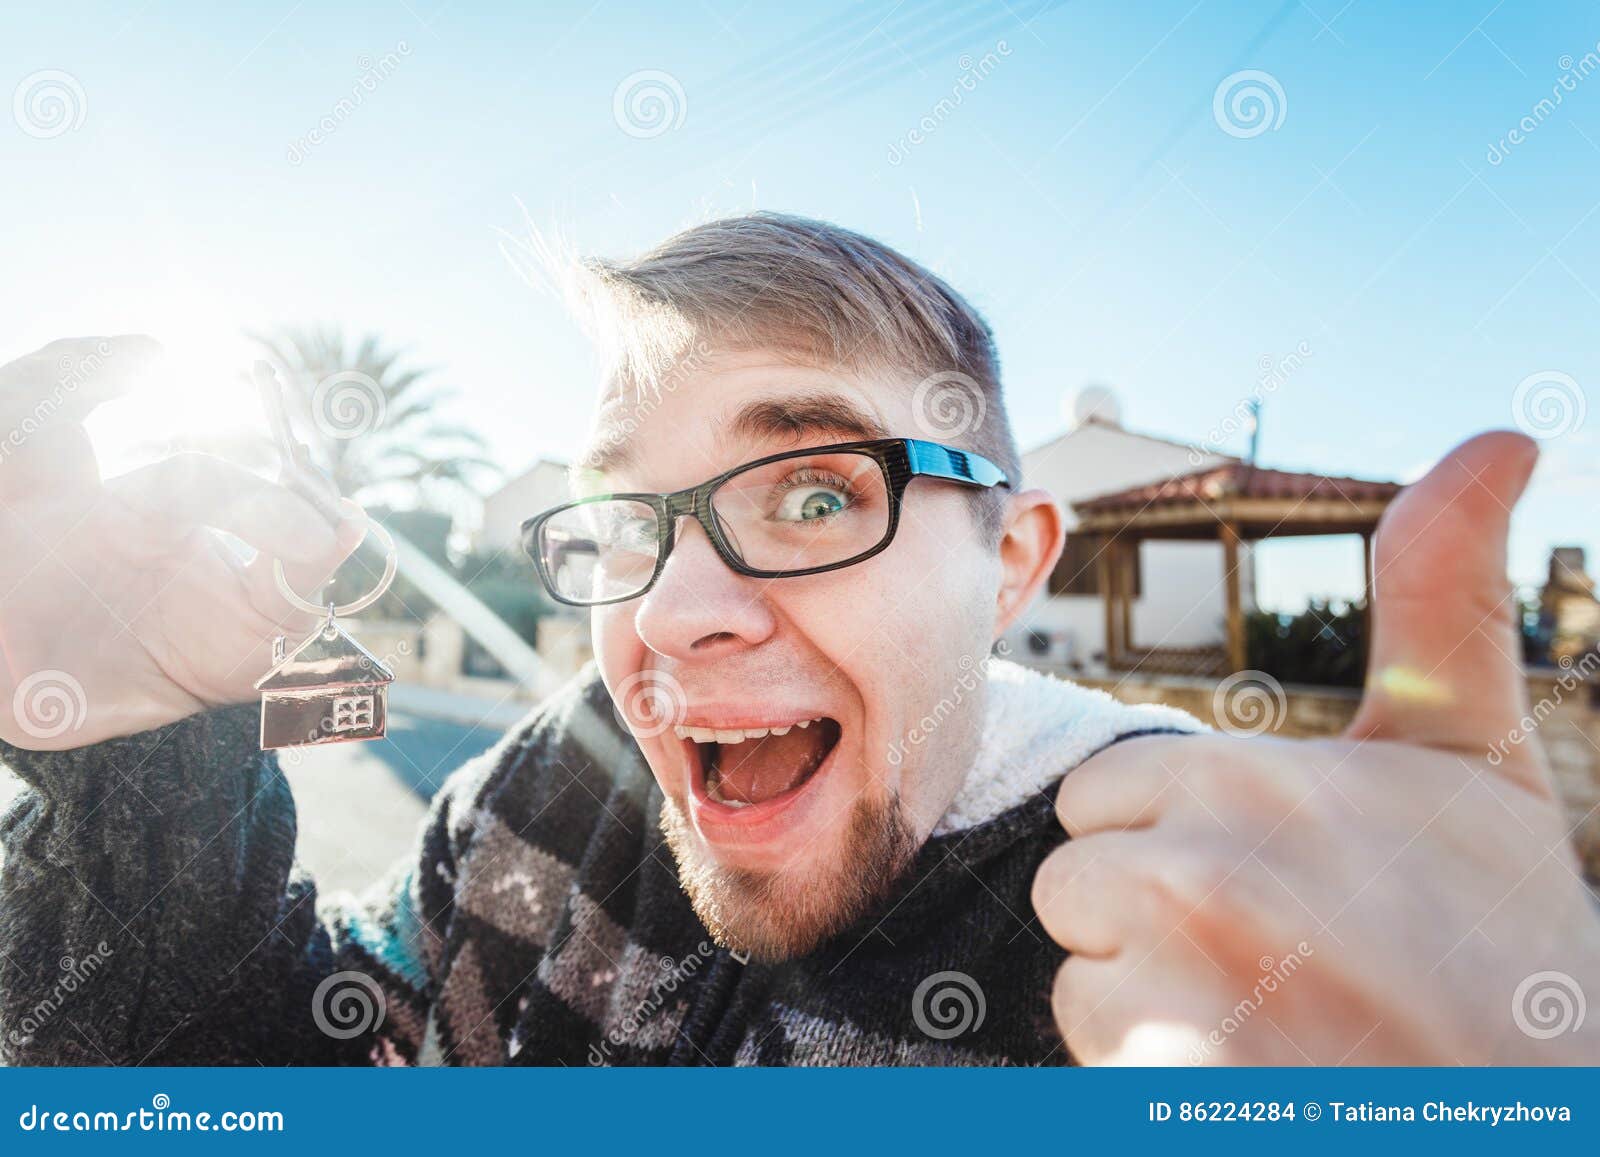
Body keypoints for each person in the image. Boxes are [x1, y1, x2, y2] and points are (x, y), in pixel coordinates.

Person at [0, 214, 1595, 1066]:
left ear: (1011, 557)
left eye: (820, 492)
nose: (675, 609)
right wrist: (140, 767)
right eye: (627, 520)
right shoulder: (542, 796)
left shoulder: (1210, 941)